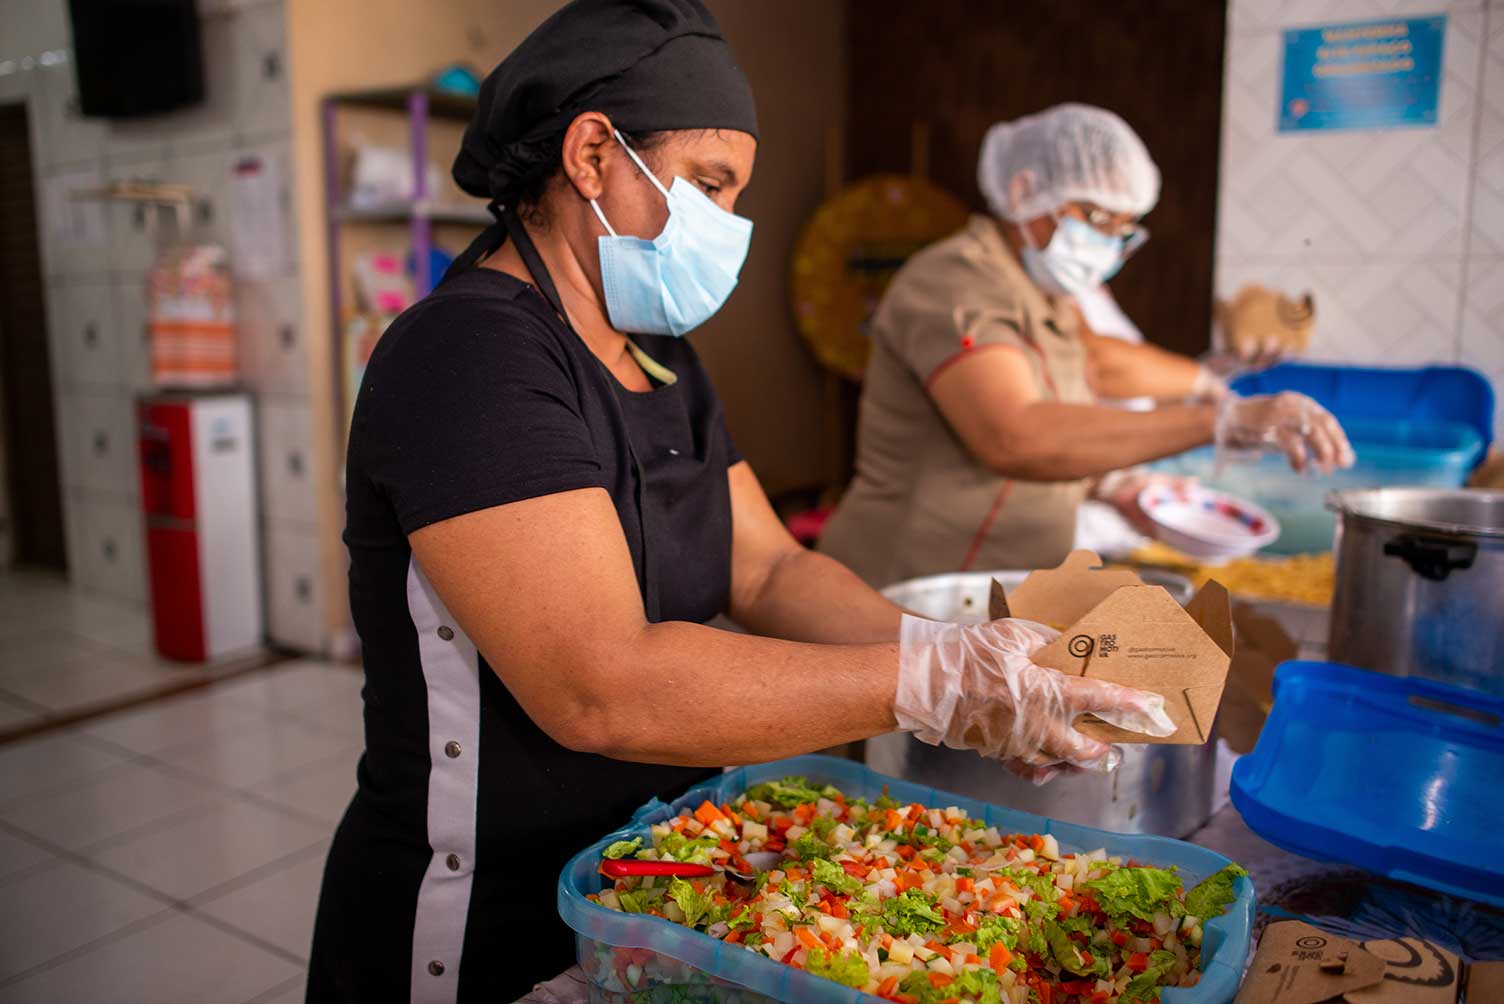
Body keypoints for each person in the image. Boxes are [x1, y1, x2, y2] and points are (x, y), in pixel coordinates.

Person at [305, 8, 1175, 1003]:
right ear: (593, 153)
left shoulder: (656, 354)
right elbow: (602, 683)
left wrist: (976, 671)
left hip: (644, 878)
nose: (727, 222)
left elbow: (769, 567)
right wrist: (930, 679)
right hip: (481, 921)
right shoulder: (470, 357)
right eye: (711, 182)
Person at [819, 103, 1354, 588]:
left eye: (1124, 229)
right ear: (1026, 190)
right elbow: (1013, 435)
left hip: (999, 588)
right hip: (905, 587)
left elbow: (1076, 395)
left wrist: (1116, 489)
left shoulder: (1048, 295)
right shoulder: (956, 281)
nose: (1108, 244)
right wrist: (1219, 419)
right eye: (1097, 219)